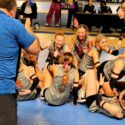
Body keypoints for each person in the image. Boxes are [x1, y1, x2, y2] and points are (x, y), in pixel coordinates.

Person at [0, 0, 41, 124]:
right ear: (12, 11)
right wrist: (27, 26)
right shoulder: (14, 24)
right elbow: (35, 49)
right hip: (3, 89)